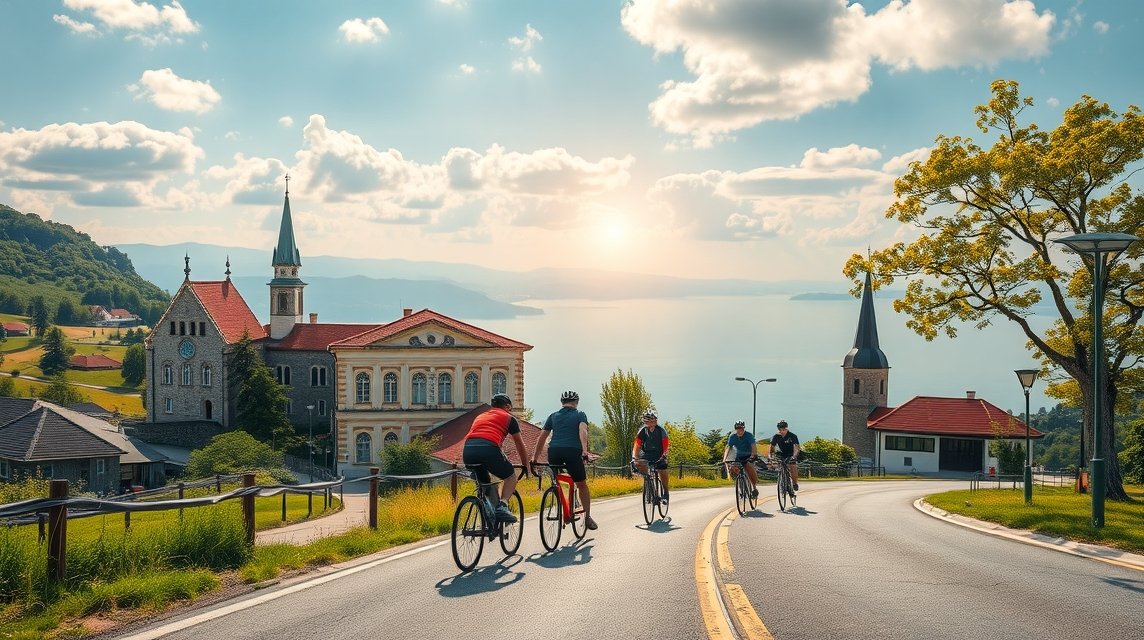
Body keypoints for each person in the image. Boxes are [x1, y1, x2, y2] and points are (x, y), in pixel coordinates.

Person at [532, 390, 599, 530]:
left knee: (557, 479)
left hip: (554, 451)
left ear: (562, 403)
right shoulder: (580, 414)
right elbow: (583, 431)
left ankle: (559, 498)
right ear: (576, 402)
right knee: (581, 485)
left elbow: (542, 438)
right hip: (572, 451)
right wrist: (585, 451)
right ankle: (587, 518)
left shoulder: (553, 416)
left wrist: (535, 458)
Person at [462, 393, 529, 523]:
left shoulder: (481, 416)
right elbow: (520, 444)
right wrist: (526, 465)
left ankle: (488, 519)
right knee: (510, 477)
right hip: (488, 449)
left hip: (468, 451)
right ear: (508, 406)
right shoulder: (509, 418)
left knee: (485, 484)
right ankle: (502, 506)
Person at [631, 409, 670, 504]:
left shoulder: (661, 430)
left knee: (662, 469)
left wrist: (664, 456)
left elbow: (665, 445)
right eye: (649, 420)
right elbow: (637, 445)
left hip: (660, 454)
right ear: (645, 421)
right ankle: (651, 490)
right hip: (647, 454)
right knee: (644, 469)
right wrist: (634, 458)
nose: (652, 422)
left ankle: (666, 493)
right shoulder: (642, 431)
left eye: (654, 420)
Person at [723, 420, 759, 499]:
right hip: (739, 456)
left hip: (749, 456)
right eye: (738, 429)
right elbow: (728, 447)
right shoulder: (732, 437)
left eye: (741, 428)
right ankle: (740, 481)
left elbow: (753, 446)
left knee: (749, 469)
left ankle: (754, 488)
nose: (740, 430)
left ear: (744, 428)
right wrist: (725, 459)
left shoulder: (749, 435)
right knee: (733, 467)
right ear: (736, 429)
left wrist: (753, 456)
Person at [768, 419, 802, 492]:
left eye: (784, 429)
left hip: (791, 454)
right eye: (781, 430)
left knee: (792, 465)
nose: (782, 431)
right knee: (780, 464)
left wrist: (794, 457)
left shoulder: (792, 436)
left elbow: (797, 448)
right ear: (779, 430)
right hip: (781, 454)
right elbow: (772, 448)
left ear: (787, 428)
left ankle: (795, 483)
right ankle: (782, 479)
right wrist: (770, 457)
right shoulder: (776, 436)